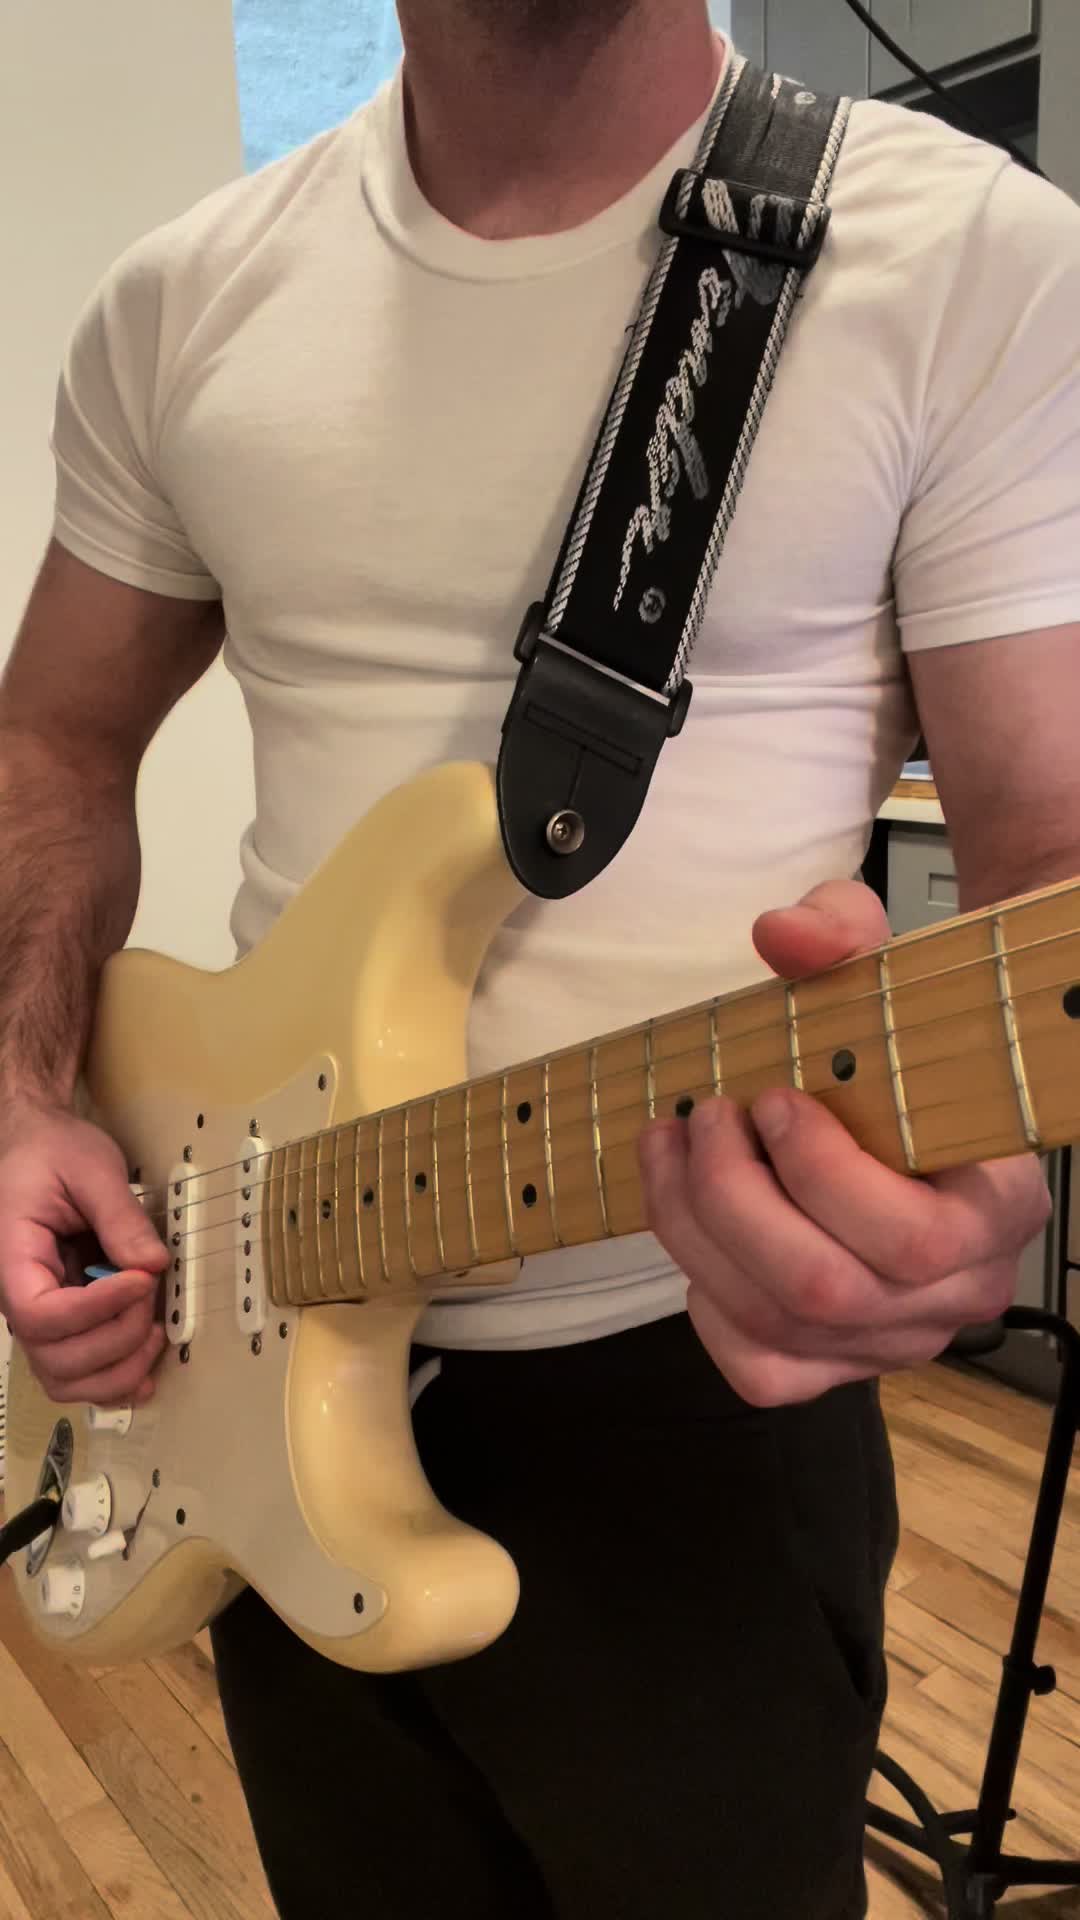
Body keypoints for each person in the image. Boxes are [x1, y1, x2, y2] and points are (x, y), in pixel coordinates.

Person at [0, 2, 1074, 1914]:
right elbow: (54, 749)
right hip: (233, 1338)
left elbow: (1048, 862)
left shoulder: (976, 256)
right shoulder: (180, 302)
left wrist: (980, 1176)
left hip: (696, 1380)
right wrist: (16, 1098)